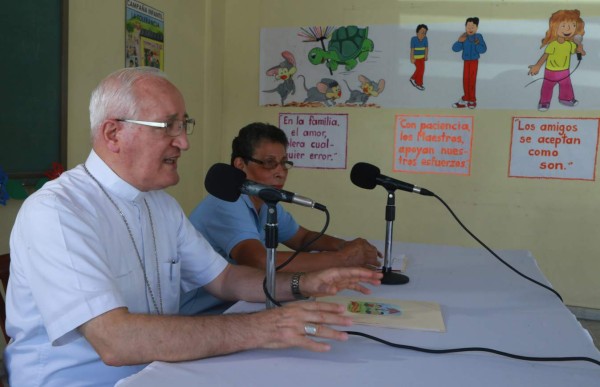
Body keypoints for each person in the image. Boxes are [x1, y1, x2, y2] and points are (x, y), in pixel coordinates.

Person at [4, 67, 382, 387]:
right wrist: (266, 327)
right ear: (113, 134)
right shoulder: (57, 212)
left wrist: (303, 285)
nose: (183, 141)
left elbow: (227, 279)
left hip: (159, 372)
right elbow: (115, 341)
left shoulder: (161, 205)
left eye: (184, 125)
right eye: (167, 126)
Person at [181, 122, 380, 315]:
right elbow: (258, 261)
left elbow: (301, 238)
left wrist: (346, 246)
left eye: (284, 163)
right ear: (240, 165)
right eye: (269, 163)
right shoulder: (225, 203)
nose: (280, 172)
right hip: (203, 313)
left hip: (240, 302)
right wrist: (342, 259)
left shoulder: (265, 201)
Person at [527, 9, 585, 112]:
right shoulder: (553, 44)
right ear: (555, 28)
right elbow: (545, 56)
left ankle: (566, 99)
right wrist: (537, 66)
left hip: (564, 71)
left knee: (566, 85)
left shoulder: (570, 44)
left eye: (572, 25)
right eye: (563, 26)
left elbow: (579, 52)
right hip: (551, 71)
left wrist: (580, 48)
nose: (568, 29)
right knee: (547, 87)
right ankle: (544, 102)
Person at [451, 17, 487, 109]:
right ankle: (466, 99)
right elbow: (455, 49)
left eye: (472, 27)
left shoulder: (478, 36)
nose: (470, 29)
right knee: (466, 80)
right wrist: (459, 41)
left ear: (477, 28)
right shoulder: (464, 36)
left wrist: (477, 44)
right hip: (466, 61)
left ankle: (472, 100)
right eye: (468, 27)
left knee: (472, 80)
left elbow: (483, 50)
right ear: (465, 27)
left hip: (474, 61)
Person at [409, 24, 429, 91]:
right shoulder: (413, 39)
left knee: (421, 69)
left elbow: (426, 48)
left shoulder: (425, 39)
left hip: (422, 58)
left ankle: (413, 78)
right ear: (417, 32)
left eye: (425, 33)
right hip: (416, 58)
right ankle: (418, 83)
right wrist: (411, 58)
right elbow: (412, 49)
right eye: (422, 32)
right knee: (420, 69)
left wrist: (426, 55)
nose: (423, 34)